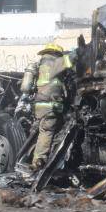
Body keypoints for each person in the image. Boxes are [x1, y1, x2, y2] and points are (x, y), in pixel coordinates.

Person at [24, 43, 73, 171]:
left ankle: (27, 157)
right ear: (56, 54)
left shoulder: (41, 66)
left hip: (39, 105)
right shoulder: (55, 63)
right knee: (47, 132)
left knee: (39, 131)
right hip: (51, 105)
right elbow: (73, 58)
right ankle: (39, 162)